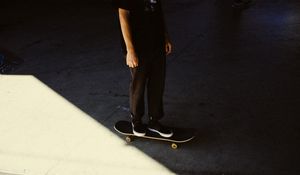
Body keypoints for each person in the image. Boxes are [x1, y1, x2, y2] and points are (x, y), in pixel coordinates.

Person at [113, 0, 173, 138]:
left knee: (157, 84)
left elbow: (159, 13)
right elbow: (123, 16)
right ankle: (136, 120)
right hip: (138, 47)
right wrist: (130, 50)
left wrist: (165, 36)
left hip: (156, 44)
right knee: (138, 84)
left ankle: (154, 121)